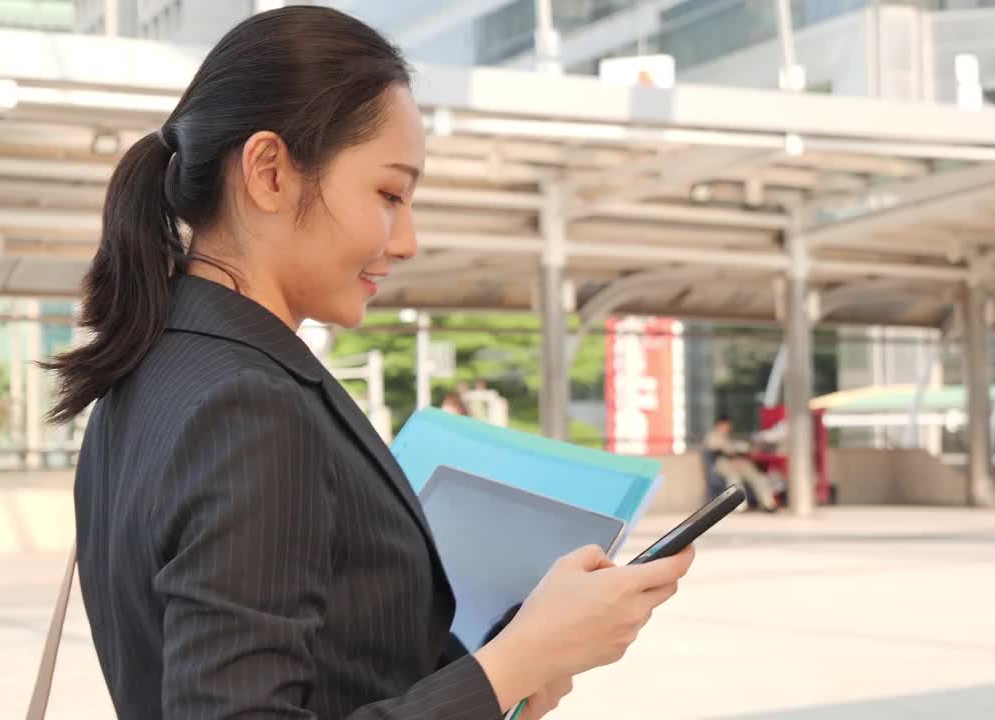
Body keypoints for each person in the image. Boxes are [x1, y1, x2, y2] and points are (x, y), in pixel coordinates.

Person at [43, 8, 694, 720]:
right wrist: (513, 663)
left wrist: (496, 680)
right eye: (389, 194)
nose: (408, 239)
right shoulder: (250, 406)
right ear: (268, 172)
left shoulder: (145, 376)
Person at [704, 415, 779, 512]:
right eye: (725, 425)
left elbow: (742, 449)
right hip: (723, 463)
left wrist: (739, 454)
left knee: (758, 477)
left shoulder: (729, 438)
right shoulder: (712, 436)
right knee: (734, 477)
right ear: (719, 425)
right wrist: (732, 456)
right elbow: (716, 451)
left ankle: (768, 504)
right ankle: (740, 506)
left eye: (728, 425)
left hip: (739, 462)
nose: (727, 428)